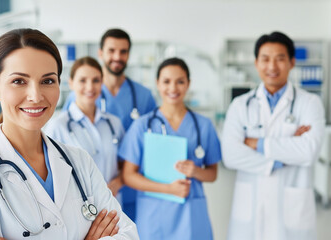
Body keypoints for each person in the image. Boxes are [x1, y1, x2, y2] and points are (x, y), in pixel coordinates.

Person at [0, 28, 138, 240]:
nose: (36, 96)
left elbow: (128, 235)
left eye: (47, 81)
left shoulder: (80, 161)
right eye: (19, 81)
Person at [222, 31, 325, 240]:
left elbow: (309, 152)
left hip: (292, 212)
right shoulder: (240, 105)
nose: (272, 66)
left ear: (292, 62)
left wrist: (255, 143)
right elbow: (231, 155)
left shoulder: (310, 103)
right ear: (256, 62)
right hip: (249, 210)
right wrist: (284, 152)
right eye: (265, 59)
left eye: (280, 59)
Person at [119, 57, 221, 240]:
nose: (173, 88)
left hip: (191, 213)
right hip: (154, 214)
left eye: (180, 81)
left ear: (188, 84)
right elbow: (128, 176)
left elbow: (212, 174)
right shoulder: (142, 126)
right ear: (158, 83)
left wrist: (195, 171)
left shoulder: (204, 125)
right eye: (166, 81)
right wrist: (169, 189)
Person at [63, 28, 157, 221]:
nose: (117, 56)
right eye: (111, 50)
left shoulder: (144, 96)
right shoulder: (80, 95)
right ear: (101, 53)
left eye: (123, 51)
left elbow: (151, 144)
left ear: (129, 55)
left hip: (130, 190)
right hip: (86, 198)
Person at [46, 56, 125, 201]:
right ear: (71, 83)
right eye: (82, 80)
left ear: (102, 83)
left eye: (96, 80)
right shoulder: (58, 126)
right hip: (79, 207)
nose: (90, 87)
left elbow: (125, 165)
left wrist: (117, 183)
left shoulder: (114, 123)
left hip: (114, 206)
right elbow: (49, 174)